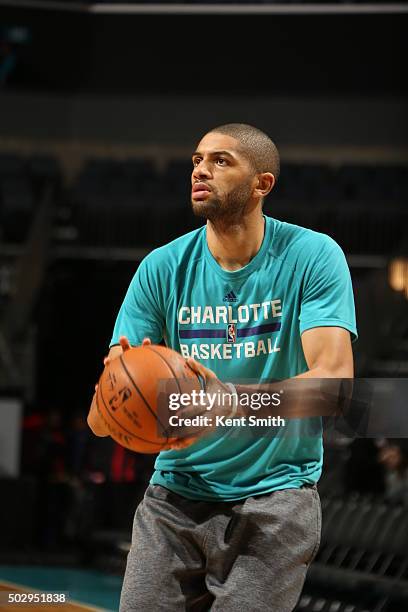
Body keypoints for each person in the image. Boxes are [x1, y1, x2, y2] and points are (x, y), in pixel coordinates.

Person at [87, 123, 357, 611]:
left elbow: (334, 388)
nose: (201, 171)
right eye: (196, 160)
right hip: (174, 497)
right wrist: (117, 394)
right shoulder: (161, 267)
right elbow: (99, 423)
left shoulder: (313, 256)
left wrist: (226, 402)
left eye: (221, 160)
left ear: (263, 184)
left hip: (276, 500)